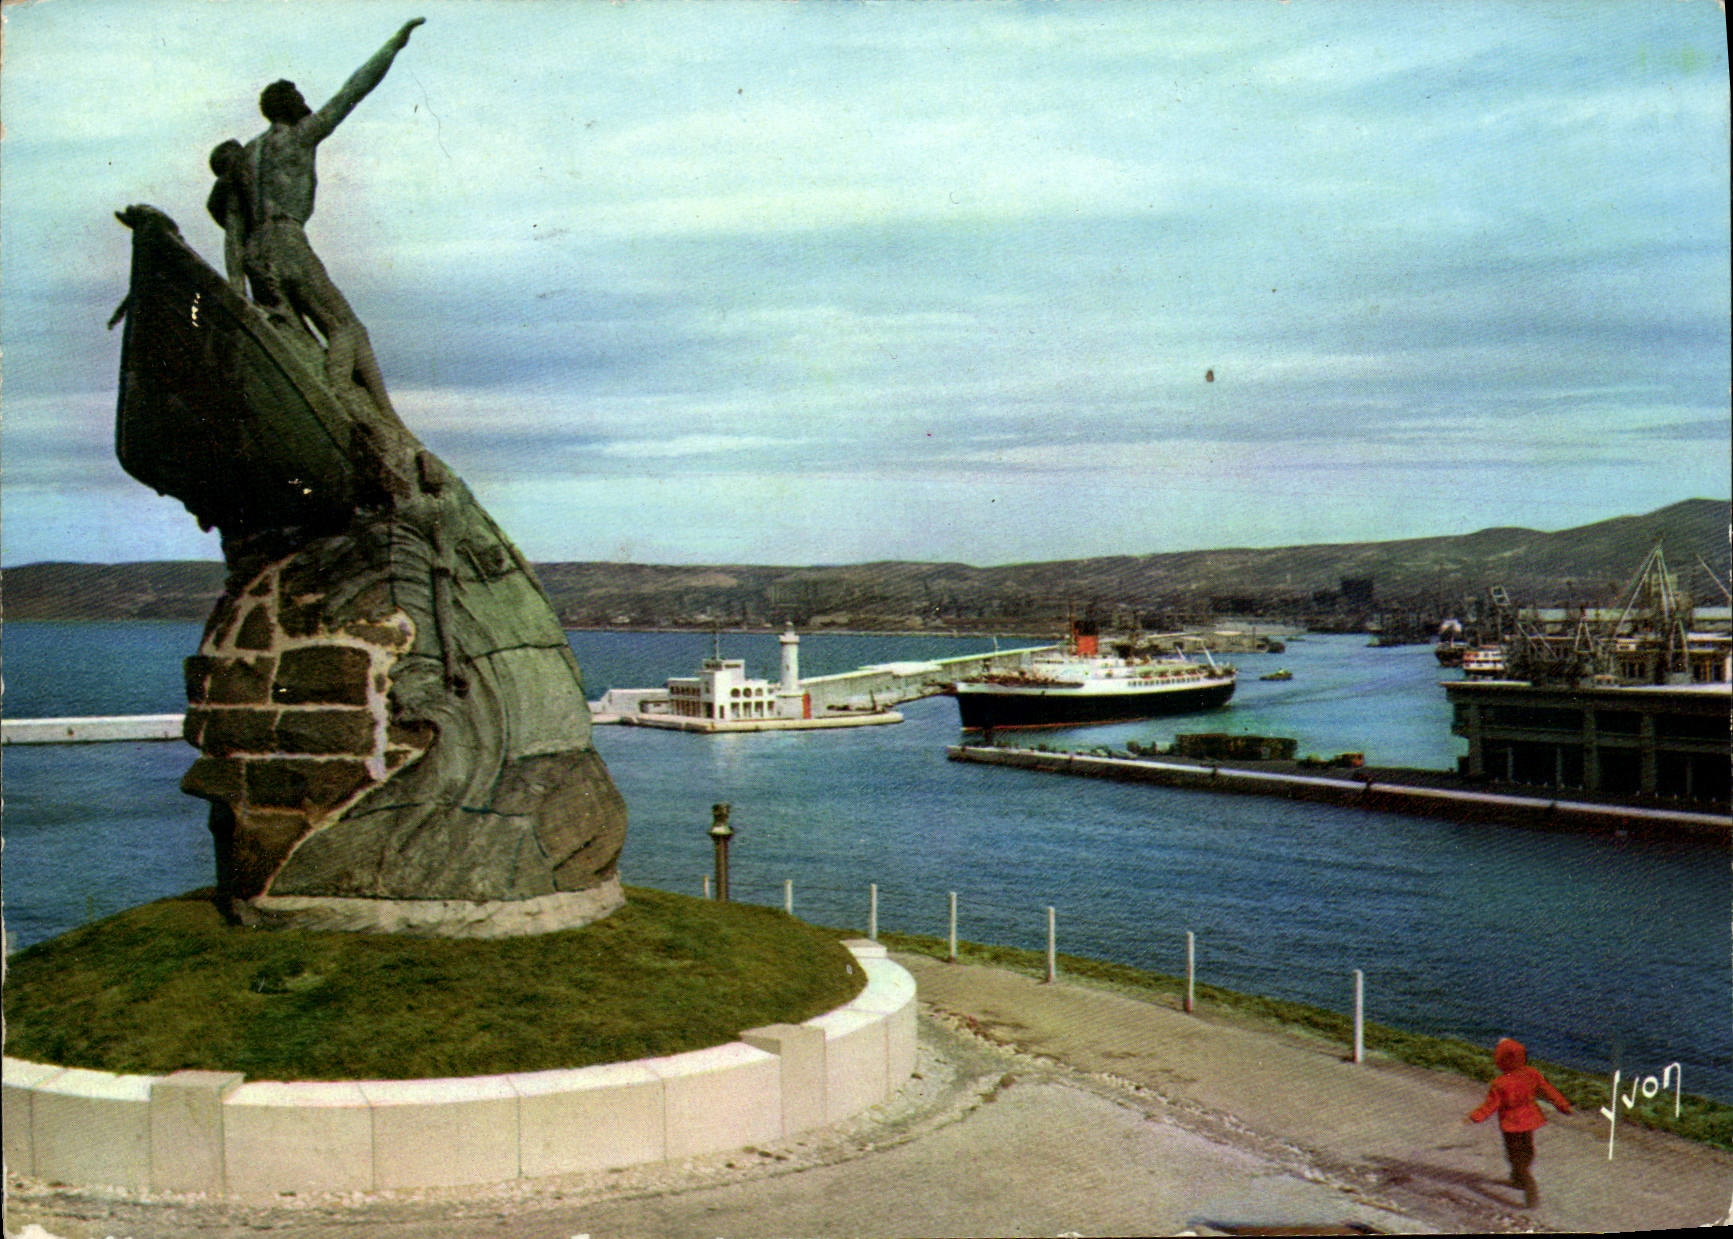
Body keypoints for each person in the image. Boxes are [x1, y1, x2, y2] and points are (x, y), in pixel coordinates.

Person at [239, 18, 424, 417]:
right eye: (299, 98)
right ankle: (345, 394)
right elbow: (352, 91)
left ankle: (340, 397)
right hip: (288, 242)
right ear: (289, 107)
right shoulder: (301, 136)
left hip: (256, 252)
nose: (306, 102)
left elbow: (226, 212)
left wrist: (238, 275)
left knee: (301, 332)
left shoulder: (248, 154)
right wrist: (394, 45)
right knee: (349, 329)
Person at [1466, 1036, 1573, 1208]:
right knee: (1526, 1150)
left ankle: (1527, 1184)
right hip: (1530, 1119)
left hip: (1511, 1123)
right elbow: (1548, 1091)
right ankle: (1519, 1179)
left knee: (1515, 1155)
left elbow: (1491, 1105)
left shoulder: (1500, 1083)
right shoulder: (1532, 1074)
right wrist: (1563, 1106)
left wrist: (1475, 1117)